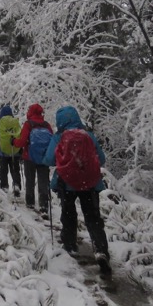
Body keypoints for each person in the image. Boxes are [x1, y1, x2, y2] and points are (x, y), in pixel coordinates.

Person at [43, 105, 111, 275]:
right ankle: (101, 249)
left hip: (67, 184)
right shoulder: (88, 135)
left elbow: (49, 159)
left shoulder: (59, 137)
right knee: (93, 217)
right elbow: (101, 159)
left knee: (68, 213)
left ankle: (70, 245)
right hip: (89, 184)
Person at [12, 102, 53, 215]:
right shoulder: (46, 125)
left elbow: (22, 141)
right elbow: (52, 141)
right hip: (43, 158)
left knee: (30, 180)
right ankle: (44, 205)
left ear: (30, 112)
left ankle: (30, 203)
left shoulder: (28, 124)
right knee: (43, 182)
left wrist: (14, 141)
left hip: (29, 157)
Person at [0, 105, 22, 197]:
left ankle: (4, 187)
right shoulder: (15, 121)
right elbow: (20, 134)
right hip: (15, 151)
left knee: (3, 170)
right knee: (15, 170)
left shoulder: (0, 122)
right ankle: (16, 185)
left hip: (3, 152)